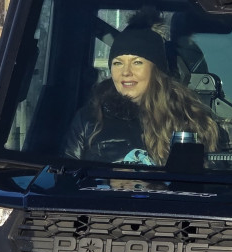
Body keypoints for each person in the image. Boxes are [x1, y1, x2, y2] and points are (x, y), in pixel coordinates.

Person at [63, 24, 221, 165]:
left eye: (137, 62)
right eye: (118, 63)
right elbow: (68, 177)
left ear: (156, 69)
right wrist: (108, 180)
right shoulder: (90, 118)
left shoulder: (189, 119)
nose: (125, 72)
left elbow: (199, 184)